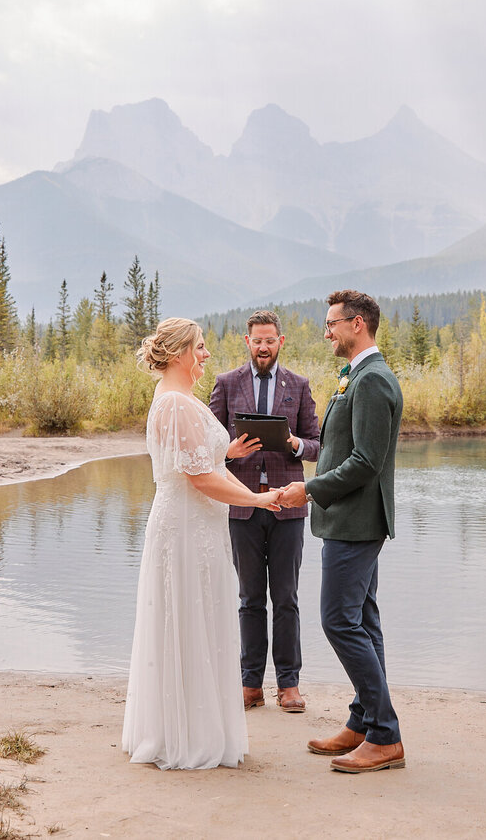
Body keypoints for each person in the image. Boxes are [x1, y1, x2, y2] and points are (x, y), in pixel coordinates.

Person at [121, 318, 283, 770]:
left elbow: (203, 463)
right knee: (186, 618)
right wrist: (257, 498)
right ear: (178, 354)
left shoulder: (180, 401)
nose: (207, 354)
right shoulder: (175, 403)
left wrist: (226, 455)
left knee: (198, 617)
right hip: (186, 529)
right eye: (200, 346)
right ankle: (183, 735)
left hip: (197, 526)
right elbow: (199, 478)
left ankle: (191, 724)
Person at [278, 289, 405, 774]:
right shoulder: (356, 376)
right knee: (363, 623)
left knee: (338, 621)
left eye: (332, 323)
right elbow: (339, 448)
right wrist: (302, 454)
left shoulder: (372, 380)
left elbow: (367, 462)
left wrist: (306, 491)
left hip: (356, 523)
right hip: (349, 522)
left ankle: (386, 735)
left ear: (358, 324)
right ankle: (362, 722)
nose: (326, 330)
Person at [208, 309, 322, 713]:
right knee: (249, 599)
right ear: (247, 341)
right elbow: (205, 446)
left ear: (280, 342)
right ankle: (250, 684)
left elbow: (318, 446)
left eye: (270, 340)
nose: (263, 346)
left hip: (287, 508)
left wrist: (293, 444)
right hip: (241, 506)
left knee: (287, 598)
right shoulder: (225, 384)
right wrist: (227, 450)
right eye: (257, 340)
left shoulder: (300, 386)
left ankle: (288, 685)